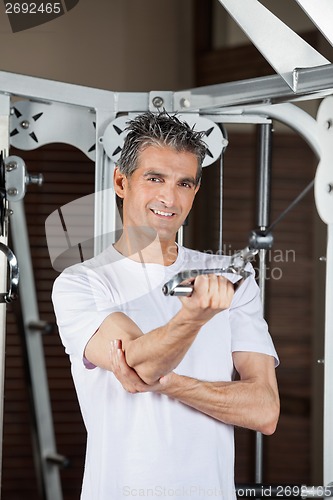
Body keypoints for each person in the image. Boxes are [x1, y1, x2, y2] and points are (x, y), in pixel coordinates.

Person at [52, 111, 279, 500]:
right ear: (122, 182)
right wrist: (193, 318)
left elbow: (264, 411)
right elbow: (140, 362)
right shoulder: (81, 282)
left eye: (184, 183)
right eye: (154, 178)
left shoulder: (230, 277)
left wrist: (172, 384)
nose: (169, 198)